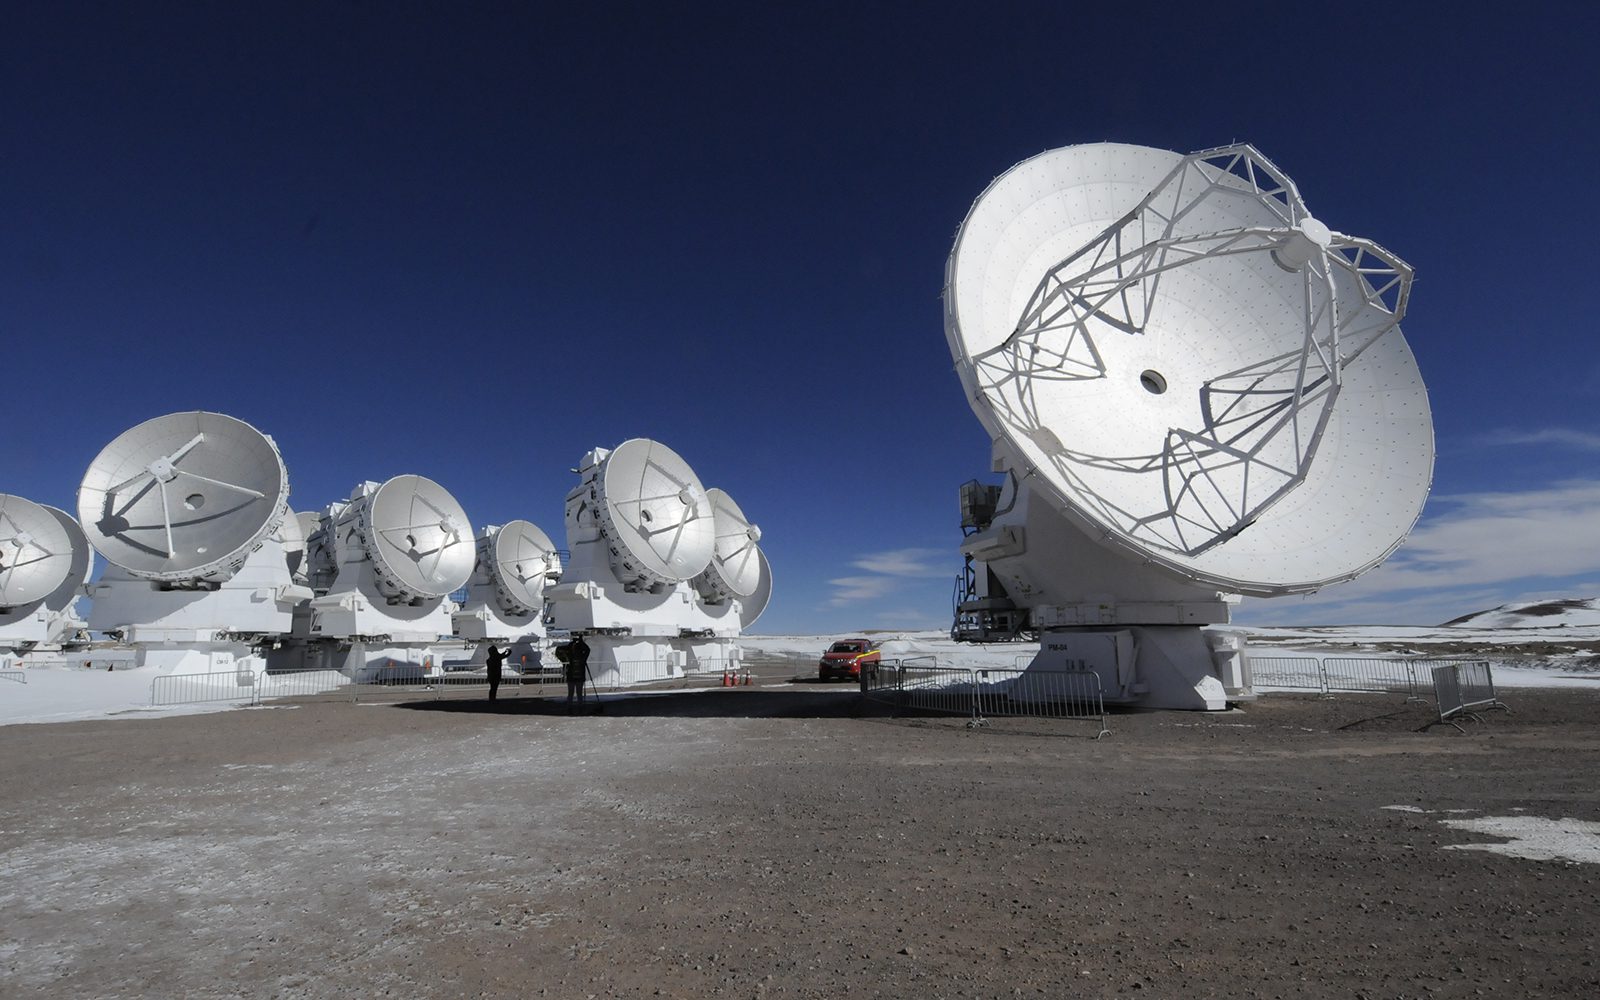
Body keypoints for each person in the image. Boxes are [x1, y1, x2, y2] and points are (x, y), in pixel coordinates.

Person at [566, 634, 590, 712]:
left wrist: (573, 642)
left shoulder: (570, 656)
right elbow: (587, 650)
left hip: (571, 677)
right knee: (579, 693)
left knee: (571, 693)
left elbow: (568, 649)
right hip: (579, 677)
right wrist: (581, 642)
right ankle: (580, 707)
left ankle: (570, 708)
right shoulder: (582, 657)